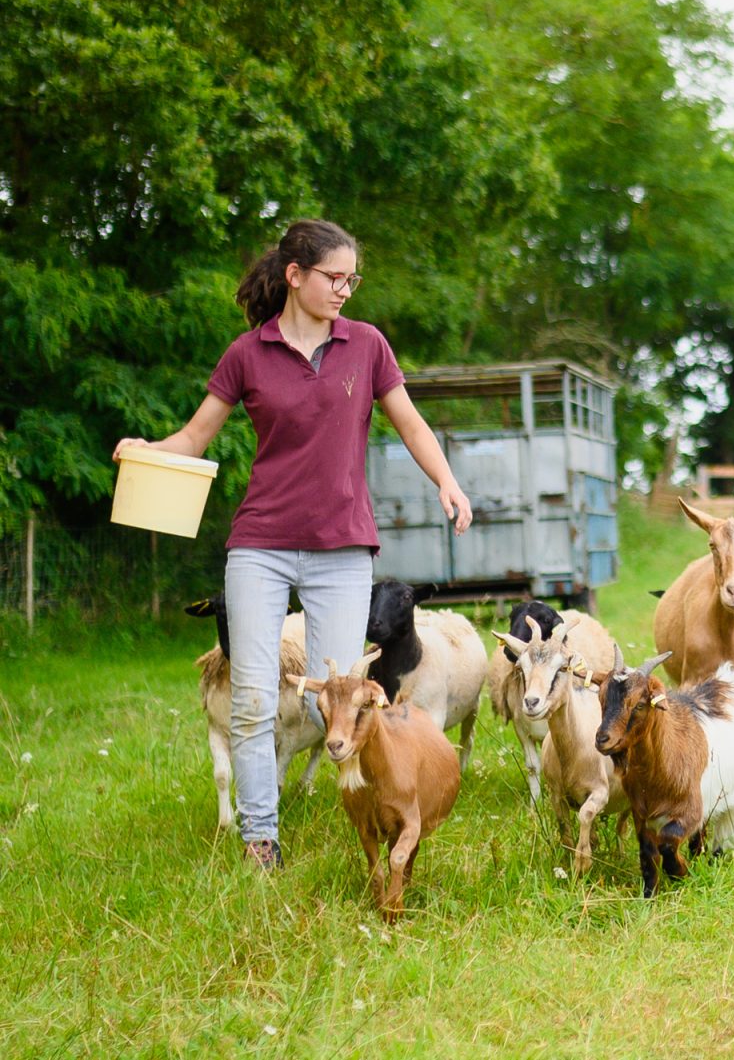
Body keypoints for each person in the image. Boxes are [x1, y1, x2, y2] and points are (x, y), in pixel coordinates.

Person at [114, 219, 472, 869]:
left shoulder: (365, 345)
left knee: (343, 691)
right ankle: (260, 839)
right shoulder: (246, 354)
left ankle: (382, 807)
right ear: (294, 275)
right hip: (261, 544)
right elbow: (195, 437)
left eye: (352, 278)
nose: (346, 288)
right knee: (252, 693)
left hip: (342, 545)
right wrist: (147, 449)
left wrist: (447, 480)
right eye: (335, 277)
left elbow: (411, 422)